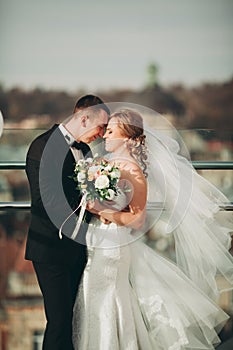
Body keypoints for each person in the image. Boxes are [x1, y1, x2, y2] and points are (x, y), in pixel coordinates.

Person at [72, 109, 233, 349]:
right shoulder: (106, 164)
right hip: (98, 239)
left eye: (111, 131)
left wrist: (103, 212)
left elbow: (137, 219)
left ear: (126, 137)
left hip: (114, 244)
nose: (104, 136)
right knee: (93, 297)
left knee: (107, 299)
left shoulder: (133, 170)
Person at [25, 94, 110, 350]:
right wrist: (92, 207)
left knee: (74, 324)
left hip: (76, 250)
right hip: (50, 250)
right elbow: (44, 201)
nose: (102, 134)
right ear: (84, 118)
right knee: (59, 324)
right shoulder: (42, 146)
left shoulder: (83, 150)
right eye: (100, 127)